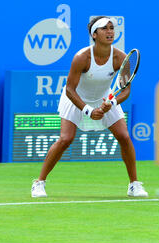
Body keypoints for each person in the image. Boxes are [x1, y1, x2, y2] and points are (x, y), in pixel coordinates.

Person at [31, 16, 148, 198]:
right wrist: (88, 110)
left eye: (112, 28)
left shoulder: (120, 58)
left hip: (104, 97)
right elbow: (70, 89)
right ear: (94, 34)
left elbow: (125, 91)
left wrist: (112, 103)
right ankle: (39, 183)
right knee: (65, 139)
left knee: (124, 136)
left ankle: (134, 185)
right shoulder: (82, 57)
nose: (110, 32)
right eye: (105, 29)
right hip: (76, 97)